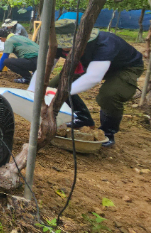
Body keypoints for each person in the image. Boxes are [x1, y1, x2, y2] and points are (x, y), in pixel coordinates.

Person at [28, 19, 144, 147]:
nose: (65, 48)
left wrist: (61, 93)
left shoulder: (105, 43)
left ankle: (107, 132)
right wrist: (32, 90)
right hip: (88, 64)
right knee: (55, 85)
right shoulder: (57, 45)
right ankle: (83, 119)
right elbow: (43, 68)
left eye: (69, 43)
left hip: (124, 67)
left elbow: (93, 77)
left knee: (108, 95)